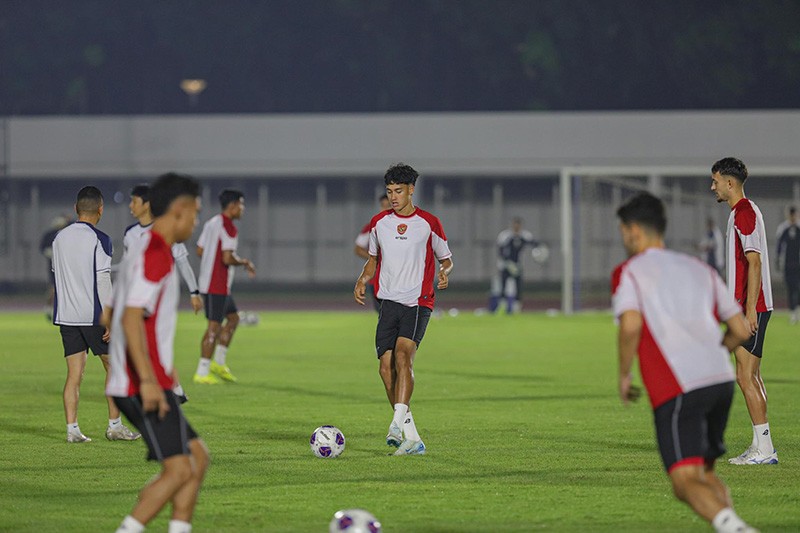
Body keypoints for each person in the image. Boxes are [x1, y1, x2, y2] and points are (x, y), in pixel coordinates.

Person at [612, 192, 755, 533]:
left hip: (678, 386)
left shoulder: (629, 271)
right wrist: (715, 350)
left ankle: (738, 529)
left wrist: (623, 373)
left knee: (683, 481)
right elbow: (740, 329)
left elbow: (631, 324)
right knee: (705, 475)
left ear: (634, 231)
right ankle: (731, 524)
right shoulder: (698, 267)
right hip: (720, 380)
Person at [105, 172, 209, 533]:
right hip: (139, 383)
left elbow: (113, 311)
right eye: (195, 214)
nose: (195, 223)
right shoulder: (156, 255)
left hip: (146, 376)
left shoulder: (143, 247)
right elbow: (132, 317)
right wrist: (149, 380)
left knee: (196, 458)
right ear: (179, 210)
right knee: (180, 468)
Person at [354, 163, 453, 456]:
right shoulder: (378, 223)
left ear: (411, 190)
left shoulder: (429, 223)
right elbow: (372, 259)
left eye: (398, 191)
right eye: (389, 191)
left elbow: (445, 258)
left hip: (417, 301)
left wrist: (445, 271)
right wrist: (362, 278)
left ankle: (396, 424)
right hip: (388, 303)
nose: (394, 196)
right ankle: (412, 438)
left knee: (402, 356)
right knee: (385, 369)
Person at [51, 186, 139, 443]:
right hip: (93, 316)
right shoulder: (100, 239)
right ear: (100, 209)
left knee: (74, 375)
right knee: (115, 368)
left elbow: (58, 275)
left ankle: (72, 430)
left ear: (76, 209)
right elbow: (103, 281)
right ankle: (114, 426)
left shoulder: (59, 238)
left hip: (67, 317)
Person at [710, 156, 778, 465]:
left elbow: (755, 262)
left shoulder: (745, 214)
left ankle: (764, 450)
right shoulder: (742, 213)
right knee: (750, 375)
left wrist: (749, 310)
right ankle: (760, 445)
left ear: (729, 183)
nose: (713, 186)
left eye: (715, 181)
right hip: (749, 306)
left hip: (751, 307)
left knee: (745, 376)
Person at [193, 189, 256, 385]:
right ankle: (202, 371)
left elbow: (200, 250)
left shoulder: (212, 222)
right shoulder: (229, 227)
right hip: (216, 285)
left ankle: (218, 363)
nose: (243, 209)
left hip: (211, 283)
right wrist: (244, 262)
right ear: (233, 206)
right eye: (241, 204)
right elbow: (227, 258)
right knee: (213, 327)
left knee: (233, 318)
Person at [488, 217, 539, 314]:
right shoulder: (505, 236)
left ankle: (517, 308)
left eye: (518, 225)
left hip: (517, 265)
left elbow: (534, 243)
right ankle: (502, 307)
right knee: (503, 286)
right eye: (515, 224)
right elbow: (500, 250)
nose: (516, 227)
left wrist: (540, 249)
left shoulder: (524, 235)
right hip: (505, 265)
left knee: (518, 286)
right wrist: (507, 262)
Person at [354, 194, 391, 312]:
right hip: (377, 279)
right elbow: (358, 248)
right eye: (383, 206)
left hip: (399, 278)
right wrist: (375, 259)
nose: (385, 209)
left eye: (388, 206)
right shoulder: (372, 227)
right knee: (383, 314)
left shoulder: (405, 227)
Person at [40, 214, 70, 321]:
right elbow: (43, 248)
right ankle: (49, 309)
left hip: (67, 267)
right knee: (53, 288)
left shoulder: (68, 234)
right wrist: (51, 253)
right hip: (54, 267)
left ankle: (61, 310)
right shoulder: (50, 235)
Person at [775, 206, 800, 324]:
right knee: (790, 288)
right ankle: (792, 313)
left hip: (798, 264)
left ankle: (797, 310)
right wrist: (778, 260)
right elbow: (779, 247)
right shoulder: (783, 228)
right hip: (788, 264)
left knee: (798, 288)